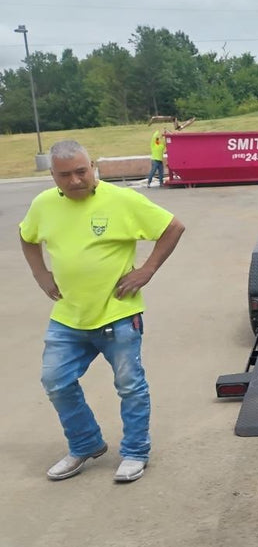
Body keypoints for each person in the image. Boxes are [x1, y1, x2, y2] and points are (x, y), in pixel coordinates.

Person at [19, 140, 185, 483]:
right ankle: (85, 444)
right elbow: (27, 236)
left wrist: (147, 270)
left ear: (92, 166)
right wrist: (40, 273)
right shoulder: (43, 205)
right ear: (52, 176)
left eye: (82, 171)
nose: (76, 180)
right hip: (68, 317)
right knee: (55, 381)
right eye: (65, 175)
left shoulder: (122, 200)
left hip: (118, 316)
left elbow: (172, 227)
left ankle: (135, 452)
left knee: (129, 386)